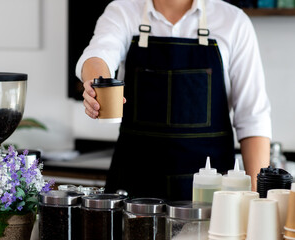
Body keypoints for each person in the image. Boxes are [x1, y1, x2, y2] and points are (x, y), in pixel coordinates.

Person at [76, 0, 271, 200]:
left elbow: (253, 118)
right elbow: (99, 54)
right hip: (135, 191)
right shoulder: (123, 11)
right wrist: (95, 81)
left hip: (212, 195)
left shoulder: (233, 21)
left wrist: (260, 201)